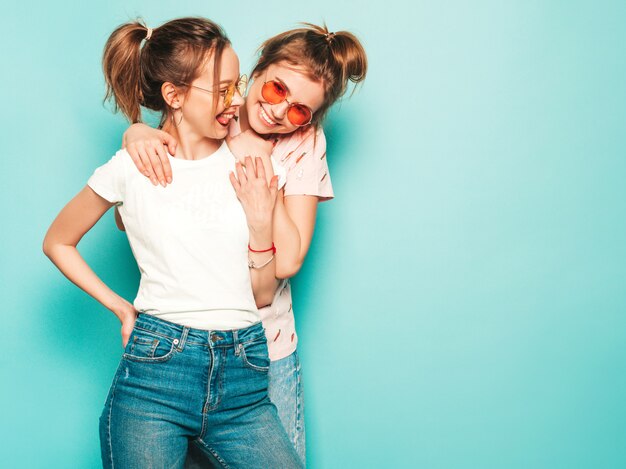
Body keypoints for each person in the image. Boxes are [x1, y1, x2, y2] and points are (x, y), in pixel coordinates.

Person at [42, 17, 302, 468]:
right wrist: (121, 307)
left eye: (236, 85)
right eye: (222, 90)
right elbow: (58, 241)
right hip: (156, 378)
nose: (236, 100)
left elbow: (261, 295)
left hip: (244, 376)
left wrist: (261, 226)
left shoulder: (252, 169)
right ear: (174, 96)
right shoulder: (133, 165)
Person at [121, 23, 368, 466]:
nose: (279, 113)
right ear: (255, 72)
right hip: (185, 347)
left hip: (266, 346)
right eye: (276, 90)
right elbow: (133, 213)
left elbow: (289, 258)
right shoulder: (212, 109)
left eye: (298, 111)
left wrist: (253, 161)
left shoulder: (303, 145)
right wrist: (136, 134)